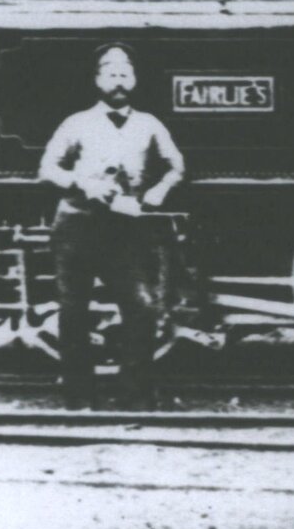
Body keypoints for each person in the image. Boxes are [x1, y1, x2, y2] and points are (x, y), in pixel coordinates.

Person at [39, 43, 185, 408]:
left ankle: (134, 393)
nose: (118, 80)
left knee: (142, 307)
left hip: (123, 230)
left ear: (134, 80)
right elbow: (47, 170)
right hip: (76, 226)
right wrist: (84, 184)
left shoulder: (149, 124)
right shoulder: (77, 123)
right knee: (74, 312)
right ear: (97, 79)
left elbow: (176, 165)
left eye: (125, 73)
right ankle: (78, 396)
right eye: (110, 72)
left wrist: (160, 190)